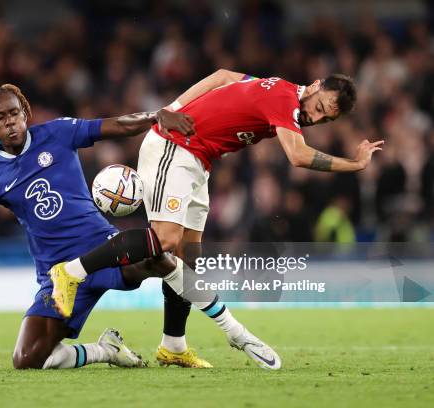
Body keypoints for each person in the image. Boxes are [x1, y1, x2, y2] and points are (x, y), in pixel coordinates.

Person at [50, 70, 384, 370]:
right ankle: (71, 272)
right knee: (165, 241)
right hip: (174, 148)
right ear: (314, 87)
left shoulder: (275, 89)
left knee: (188, 260)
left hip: (199, 160)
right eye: (320, 106)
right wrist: (354, 165)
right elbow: (297, 156)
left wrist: (175, 107)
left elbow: (224, 76)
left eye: (325, 118)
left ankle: (173, 346)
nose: (315, 116)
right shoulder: (284, 99)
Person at [0, 83, 197, 370]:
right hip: (58, 276)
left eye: (15, 113)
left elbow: (117, 124)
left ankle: (176, 343)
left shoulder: (59, 132)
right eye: (1, 117)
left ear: (24, 113)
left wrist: (155, 116)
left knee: (162, 257)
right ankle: (106, 350)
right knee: (26, 358)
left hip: (103, 250)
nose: (11, 122)